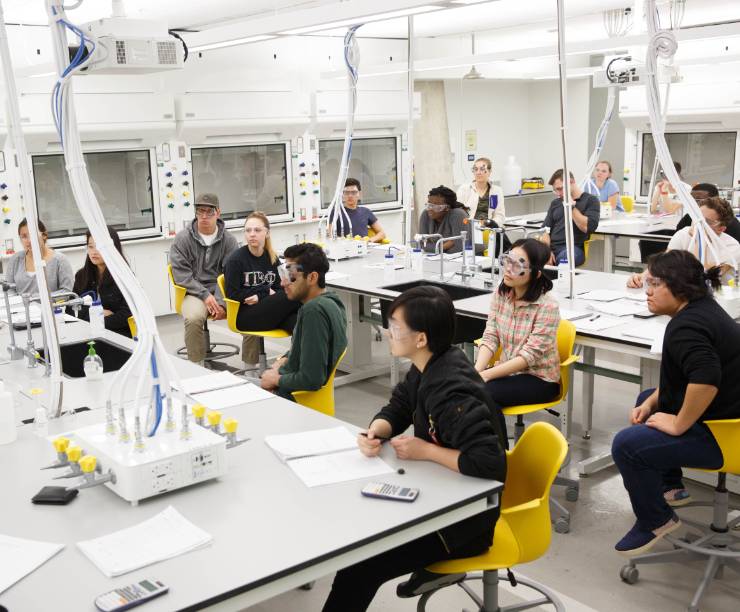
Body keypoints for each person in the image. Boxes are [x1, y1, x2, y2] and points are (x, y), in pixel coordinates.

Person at [322, 286, 507, 612]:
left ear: (420, 339)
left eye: (394, 327)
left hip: (465, 523)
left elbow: (489, 463)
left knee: (360, 563)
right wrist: (376, 430)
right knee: (357, 532)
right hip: (437, 497)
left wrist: (427, 451)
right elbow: (400, 406)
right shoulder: (428, 366)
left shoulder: (452, 390)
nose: (387, 332)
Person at [611, 250, 740, 556]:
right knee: (648, 401)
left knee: (627, 445)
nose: (647, 290)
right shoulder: (703, 308)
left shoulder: (686, 327)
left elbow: (706, 378)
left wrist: (679, 423)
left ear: (679, 285)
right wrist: (656, 401)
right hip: (728, 415)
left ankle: (656, 520)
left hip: (727, 436)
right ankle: (672, 486)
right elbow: (687, 376)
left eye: (654, 283)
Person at [475, 239, 561, 423]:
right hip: (509, 372)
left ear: (536, 273)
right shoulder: (501, 294)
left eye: (517, 265)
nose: (508, 269)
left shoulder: (547, 305)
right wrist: (476, 371)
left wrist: (485, 376)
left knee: (483, 394)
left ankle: (494, 451)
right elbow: (490, 336)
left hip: (540, 379)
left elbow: (528, 357)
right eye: (508, 260)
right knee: (463, 389)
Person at [169, 193, 258, 365]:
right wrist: (205, 295)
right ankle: (196, 367)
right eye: (199, 211)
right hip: (193, 292)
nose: (203, 216)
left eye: (209, 212)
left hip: (224, 291)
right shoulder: (182, 239)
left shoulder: (229, 240)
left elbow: (231, 274)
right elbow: (181, 275)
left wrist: (221, 303)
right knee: (194, 319)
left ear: (218, 213)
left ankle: (251, 366)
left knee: (252, 314)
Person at [260, 243, 347, 399]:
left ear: (312, 277)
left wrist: (276, 379)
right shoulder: (332, 301)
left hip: (290, 397)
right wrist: (282, 360)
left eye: (291, 276)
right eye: (283, 274)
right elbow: (305, 348)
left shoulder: (313, 311)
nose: (283, 283)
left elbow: (311, 379)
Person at [626, 197, 740, 288]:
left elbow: (701, 277)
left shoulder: (732, 247)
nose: (698, 223)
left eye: (706, 221)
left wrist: (698, 240)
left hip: (717, 299)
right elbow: (664, 264)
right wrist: (642, 276)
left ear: (721, 229)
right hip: (686, 295)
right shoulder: (683, 234)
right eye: (697, 217)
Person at [224, 212, 300, 334]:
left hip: (268, 311)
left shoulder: (272, 258)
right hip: (244, 316)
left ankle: (302, 352)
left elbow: (280, 288)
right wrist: (266, 291)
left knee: (299, 324)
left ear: (267, 233)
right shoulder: (235, 260)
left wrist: (261, 295)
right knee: (295, 293)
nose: (252, 234)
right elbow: (232, 295)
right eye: (248, 231)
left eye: (257, 230)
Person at [72, 226, 132, 337]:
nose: (94, 252)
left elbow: (127, 314)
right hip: (87, 334)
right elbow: (73, 310)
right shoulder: (81, 275)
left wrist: (95, 319)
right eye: (90, 247)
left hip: (119, 335)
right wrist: (99, 315)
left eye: (99, 247)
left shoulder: (124, 276)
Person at [539, 169, 600, 266]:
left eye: (560, 189)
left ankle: (556, 279)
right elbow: (545, 230)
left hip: (574, 248)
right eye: (555, 190)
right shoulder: (555, 203)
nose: (558, 194)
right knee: (525, 253)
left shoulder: (591, 200)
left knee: (564, 258)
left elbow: (587, 227)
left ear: (571, 182)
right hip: (552, 248)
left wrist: (571, 207)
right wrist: (546, 251)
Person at [639, 161, 693, 262]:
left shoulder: (685, 188)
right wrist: (657, 192)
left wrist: (664, 192)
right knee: (646, 240)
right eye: (663, 174)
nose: (665, 177)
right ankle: (649, 265)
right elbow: (653, 210)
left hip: (677, 226)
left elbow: (670, 210)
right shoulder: (660, 187)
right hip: (662, 225)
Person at [5, 218, 74, 296]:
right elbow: (8, 289)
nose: (29, 240)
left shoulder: (60, 260)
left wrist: (39, 298)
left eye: (33, 235)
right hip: (22, 307)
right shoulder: (15, 259)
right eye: (24, 236)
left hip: (51, 307)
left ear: (44, 235)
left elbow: (67, 291)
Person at [674, 183, 740, 243]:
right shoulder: (689, 217)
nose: (693, 203)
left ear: (713, 200)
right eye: (691, 199)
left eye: (698, 200)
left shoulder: (729, 223)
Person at [418, 185, 471, 253]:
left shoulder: (458, 214)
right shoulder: (426, 214)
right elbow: (422, 245)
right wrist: (444, 246)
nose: (430, 208)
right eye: (429, 204)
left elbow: (460, 248)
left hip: (470, 257)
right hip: (438, 258)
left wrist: (433, 247)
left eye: (435, 205)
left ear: (447, 208)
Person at [457, 157, 506, 226]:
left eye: (482, 169)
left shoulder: (497, 191)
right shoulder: (464, 189)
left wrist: (490, 223)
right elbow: (458, 213)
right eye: (475, 169)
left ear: (489, 171)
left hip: (489, 229)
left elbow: (499, 215)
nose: (478, 172)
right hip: (469, 229)